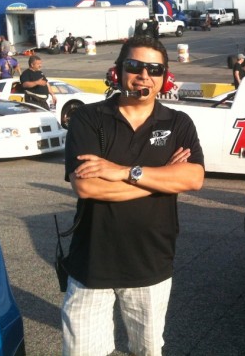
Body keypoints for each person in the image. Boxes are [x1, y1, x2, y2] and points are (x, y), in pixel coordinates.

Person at [61, 36, 205, 356]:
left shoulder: (178, 123)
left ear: (164, 77)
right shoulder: (88, 118)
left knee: (148, 351)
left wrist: (125, 171)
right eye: (134, 66)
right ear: (118, 71)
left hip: (151, 265)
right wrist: (163, 178)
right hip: (91, 264)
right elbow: (86, 186)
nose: (144, 75)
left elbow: (193, 178)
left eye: (154, 69)